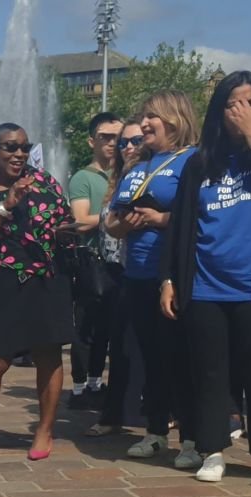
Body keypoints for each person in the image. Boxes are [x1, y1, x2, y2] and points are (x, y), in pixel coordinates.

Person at [161, 70, 251, 484]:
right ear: (217, 111)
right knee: (209, 372)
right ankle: (212, 448)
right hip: (207, 286)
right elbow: (182, 228)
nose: (241, 110)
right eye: (232, 103)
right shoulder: (199, 163)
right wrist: (169, 279)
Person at [0, 123, 76, 465]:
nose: (19, 154)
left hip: (47, 278)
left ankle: (45, 430)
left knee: (48, 356)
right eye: (10, 147)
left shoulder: (45, 182)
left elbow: (62, 218)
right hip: (2, 282)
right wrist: (6, 206)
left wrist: (67, 232)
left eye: (24, 147)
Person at [106, 91, 200, 466]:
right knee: (151, 357)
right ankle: (156, 431)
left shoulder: (193, 161)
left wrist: (161, 220)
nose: (143, 125)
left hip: (175, 276)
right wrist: (121, 224)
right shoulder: (136, 167)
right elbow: (112, 222)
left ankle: (192, 439)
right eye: (143, 118)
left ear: (174, 119)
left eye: (151, 118)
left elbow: (203, 218)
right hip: (137, 274)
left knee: (181, 358)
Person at [87, 119, 148, 437]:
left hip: (143, 270)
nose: (126, 147)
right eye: (123, 142)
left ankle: (150, 413)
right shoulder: (118, 178)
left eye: (135, 140)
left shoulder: (151, 174)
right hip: (114, 270)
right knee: (120, 345)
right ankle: (115, 413)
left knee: (141, 346)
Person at [67, 111, 124, 408]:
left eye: (119, 137)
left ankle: (96, 381)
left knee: (110, 329)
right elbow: (79, 221)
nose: (113, 143)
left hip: (121, 262)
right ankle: (80, 385)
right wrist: (116, 217)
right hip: (94, 261)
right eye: (106, 137)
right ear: (92, 141)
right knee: (87, 326)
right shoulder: (84, 178)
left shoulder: (124, 175)